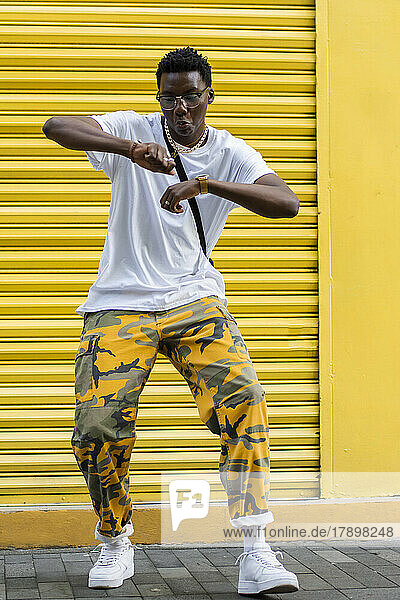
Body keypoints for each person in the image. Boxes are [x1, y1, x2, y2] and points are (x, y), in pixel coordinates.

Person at [42, 46, 300, 595]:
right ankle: (116, 537)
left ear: (209, 95)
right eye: (169, 97)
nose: (179, 107)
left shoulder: (229, 152)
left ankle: (255, 549)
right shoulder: (133, 130)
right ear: (158, 98)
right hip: (120, 303)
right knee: (96, 427)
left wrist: (206, 185)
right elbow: (56, 125)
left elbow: (285, 203)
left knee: (245, 402)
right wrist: (130, 149)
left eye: (190, 96)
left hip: (194, 300)